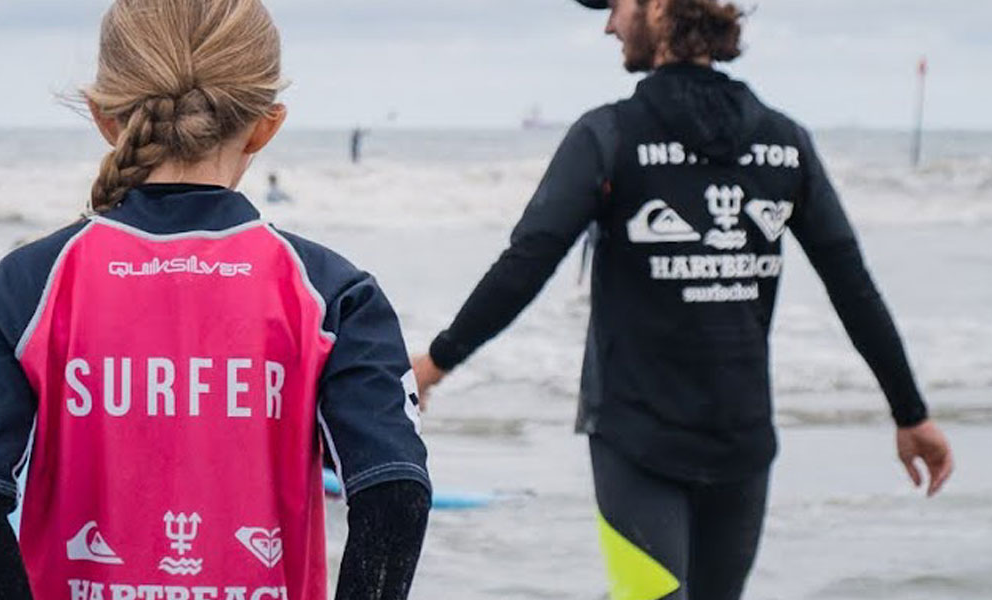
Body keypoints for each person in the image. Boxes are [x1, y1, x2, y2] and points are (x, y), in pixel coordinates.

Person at [409, 1, 955, 599]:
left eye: (617, 5)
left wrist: (435, 363)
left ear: (659, 7)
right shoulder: (782, 140)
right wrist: (911, 413)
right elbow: (852, 284)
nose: (609, 25)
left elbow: (529, 258)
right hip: (743, 444)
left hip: (637, 442)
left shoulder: (609, 134)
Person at [0, 2, 431, 599]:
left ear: (104, 118)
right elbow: (393, 490)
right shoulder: (331, 294)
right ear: (267, 125)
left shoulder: (21, 290)